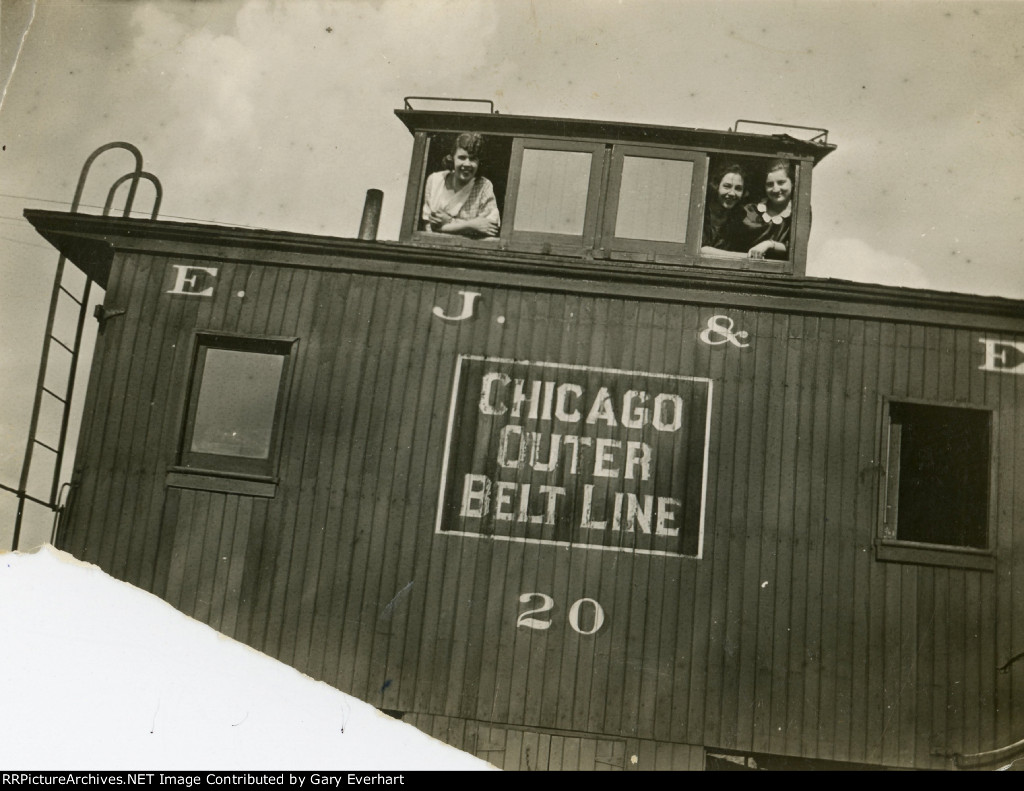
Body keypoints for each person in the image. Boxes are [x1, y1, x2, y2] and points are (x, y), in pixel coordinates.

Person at [421, 133, 500, 239]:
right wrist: (471, 225)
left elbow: (490, 228)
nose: (467, 164)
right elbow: (429, 226)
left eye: (472, 159)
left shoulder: (484, 186)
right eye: (462, 158)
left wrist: (448, 222)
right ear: (452, 158)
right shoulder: (435, 180)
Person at [739, 159, 794, 259]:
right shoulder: (752, 209)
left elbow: (796, 248)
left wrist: (769, 244)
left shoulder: (798, 212)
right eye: (770, 184)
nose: (776, 189)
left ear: (792, 182)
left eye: (781, 182)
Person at [700, 162, 749, 255]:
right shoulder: (702, 211)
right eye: (727, 186)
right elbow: (701, 250)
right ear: (716, 186)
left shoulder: (740, 217)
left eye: (738, 188)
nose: (732, 193)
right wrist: (744, 256)